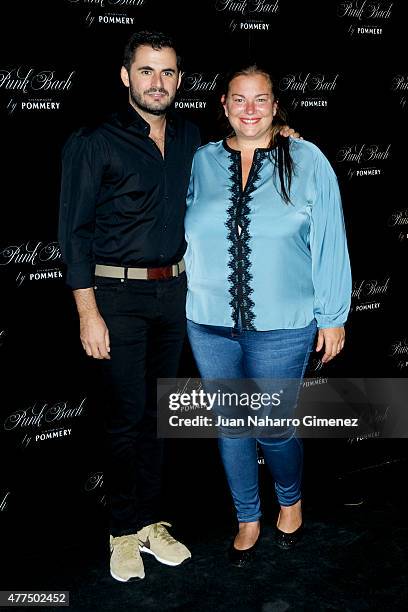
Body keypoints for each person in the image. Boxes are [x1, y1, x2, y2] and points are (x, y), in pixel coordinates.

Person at [58, 31, 303, 582]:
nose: (157, 82)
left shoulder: (194, 137)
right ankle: (123, 530)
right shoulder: (93, 140)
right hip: (115, 297)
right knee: (124, 418)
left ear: (179, 81)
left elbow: (246, 142)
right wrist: (87, 312)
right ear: (126, 77)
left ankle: (149, 521)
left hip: (176, 296)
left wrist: (280, 132)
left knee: (154, 418)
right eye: (146, 71)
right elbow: (72, 234)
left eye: (167, 73)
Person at [184, 65, 352, 567]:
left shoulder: (307, 159)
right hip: (209, 321)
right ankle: (247, 516)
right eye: (240, 100)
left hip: (285, 323)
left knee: (274, 426)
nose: (250, 109)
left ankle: (290, 499)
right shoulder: (199, 161)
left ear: (276, 106)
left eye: (261, 100)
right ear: (225, 105)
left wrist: (333, 314)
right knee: (231, 426)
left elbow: (329, 238)